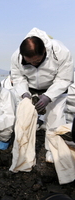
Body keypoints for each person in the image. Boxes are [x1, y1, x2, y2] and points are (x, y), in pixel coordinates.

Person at [10, 27, 74, 162]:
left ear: (44, 51)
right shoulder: (16, 56)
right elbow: (18, 77)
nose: (33, 64)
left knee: (55, 119)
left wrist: (48, 97)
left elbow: (64, 78)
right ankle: (24, 154)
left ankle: (53, 152)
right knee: (24, 121)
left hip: (55, 87)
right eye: (29, 62)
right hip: (31, 89)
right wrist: (24, 94)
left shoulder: (60, 51)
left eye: (37, 61)